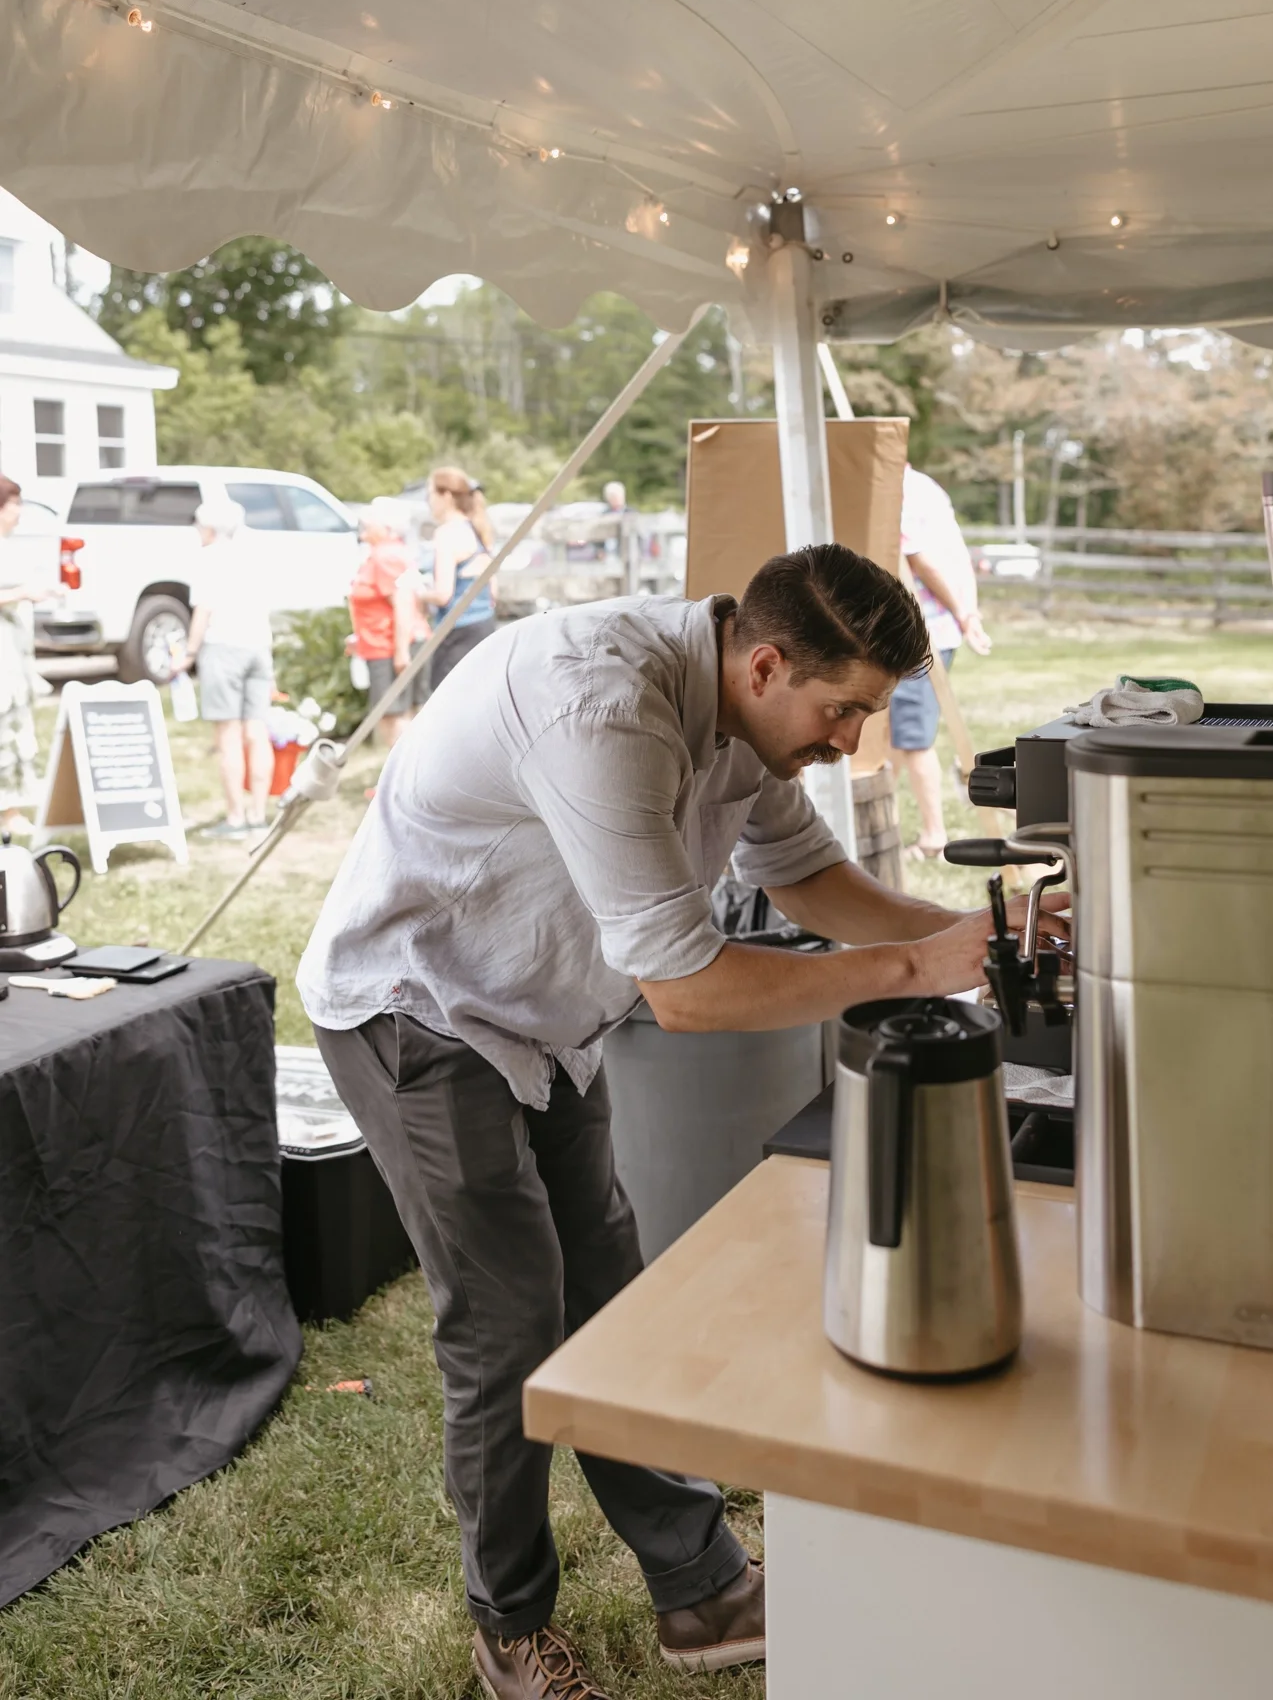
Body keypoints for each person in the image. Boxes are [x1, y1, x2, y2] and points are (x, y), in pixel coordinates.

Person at [297, 543, 1063, 1699]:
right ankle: (509, 1626)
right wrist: (915, 963)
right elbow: (690, 988)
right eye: (842, 709)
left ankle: (700, 1586)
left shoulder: (745, 710)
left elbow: (810, 882)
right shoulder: (604, 706)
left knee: (608, 1299)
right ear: (764, 663)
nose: (849, 740)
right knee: (510, 1324)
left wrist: (972, 935)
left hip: (546, 1014)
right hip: (421, 1007)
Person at [890, 464, 992, 858]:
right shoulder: (925, 486)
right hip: (938, 626)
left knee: (912, 738)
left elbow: (922, 559)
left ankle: (934, 834)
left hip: (925, 629)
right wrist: (967, 612)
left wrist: (965, 615)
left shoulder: (902, 492)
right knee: (894, 734)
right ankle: (876, 822)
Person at [171, 498, 275, 838]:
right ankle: (260, 813)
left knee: (228, 735)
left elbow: (204, 610)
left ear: (210, 528)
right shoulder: (256, 554)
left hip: (224, 647)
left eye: (199, 527)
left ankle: (235, 819)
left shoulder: (208, 559)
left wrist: (188, 653)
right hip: (259, 646)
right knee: (257, 730)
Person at [347, 501, 428, 748]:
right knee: (402, 714)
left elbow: (403, 603)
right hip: (388, 642)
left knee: (394, 715)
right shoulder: (393, 553)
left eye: (369, 521)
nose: (363, 524)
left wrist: (401, 650)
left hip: (389, 646)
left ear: (387, 527)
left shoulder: (386, 557)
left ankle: (398, 781)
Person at [0, 475, 55, 833]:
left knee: (16, 723)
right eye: (13, 504)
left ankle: (11, 807)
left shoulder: (11, 546)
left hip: (15, 650)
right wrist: (21, 592)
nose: (19, 512)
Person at [424, 467, 497, 690]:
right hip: (484, 625)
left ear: (445, 496)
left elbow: (443, 594)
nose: (429, 502)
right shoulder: (477, 529)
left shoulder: (447, 533)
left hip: (456, 631)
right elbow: (494, 593)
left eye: (430, 495)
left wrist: (418, 592)